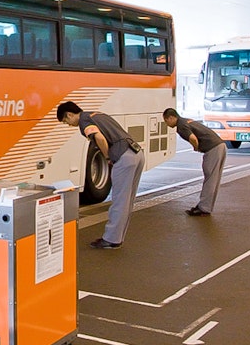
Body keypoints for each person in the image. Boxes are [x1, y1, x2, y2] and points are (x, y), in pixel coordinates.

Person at [56, 101, 144, 249]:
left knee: (119, 200)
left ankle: (111, 239)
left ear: (70, 114)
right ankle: (118, 236)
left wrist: (107, 157)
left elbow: (100, 138)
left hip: (124, 157)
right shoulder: (96, 114)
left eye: (66, 121)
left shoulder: (84, 121)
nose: (68, 124)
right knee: (127, 200)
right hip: (137, 153)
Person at [163, 108, 226, 216]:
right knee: (214, 179)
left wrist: (195, 147)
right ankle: (205, 206)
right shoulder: (187, 120)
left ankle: (204, 208)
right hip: (220, 146)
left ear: (172, 117)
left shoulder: (181, 126)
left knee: (210, 179)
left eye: (166, 120)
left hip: (213, 149)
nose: (166, 124)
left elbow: (193, 138)